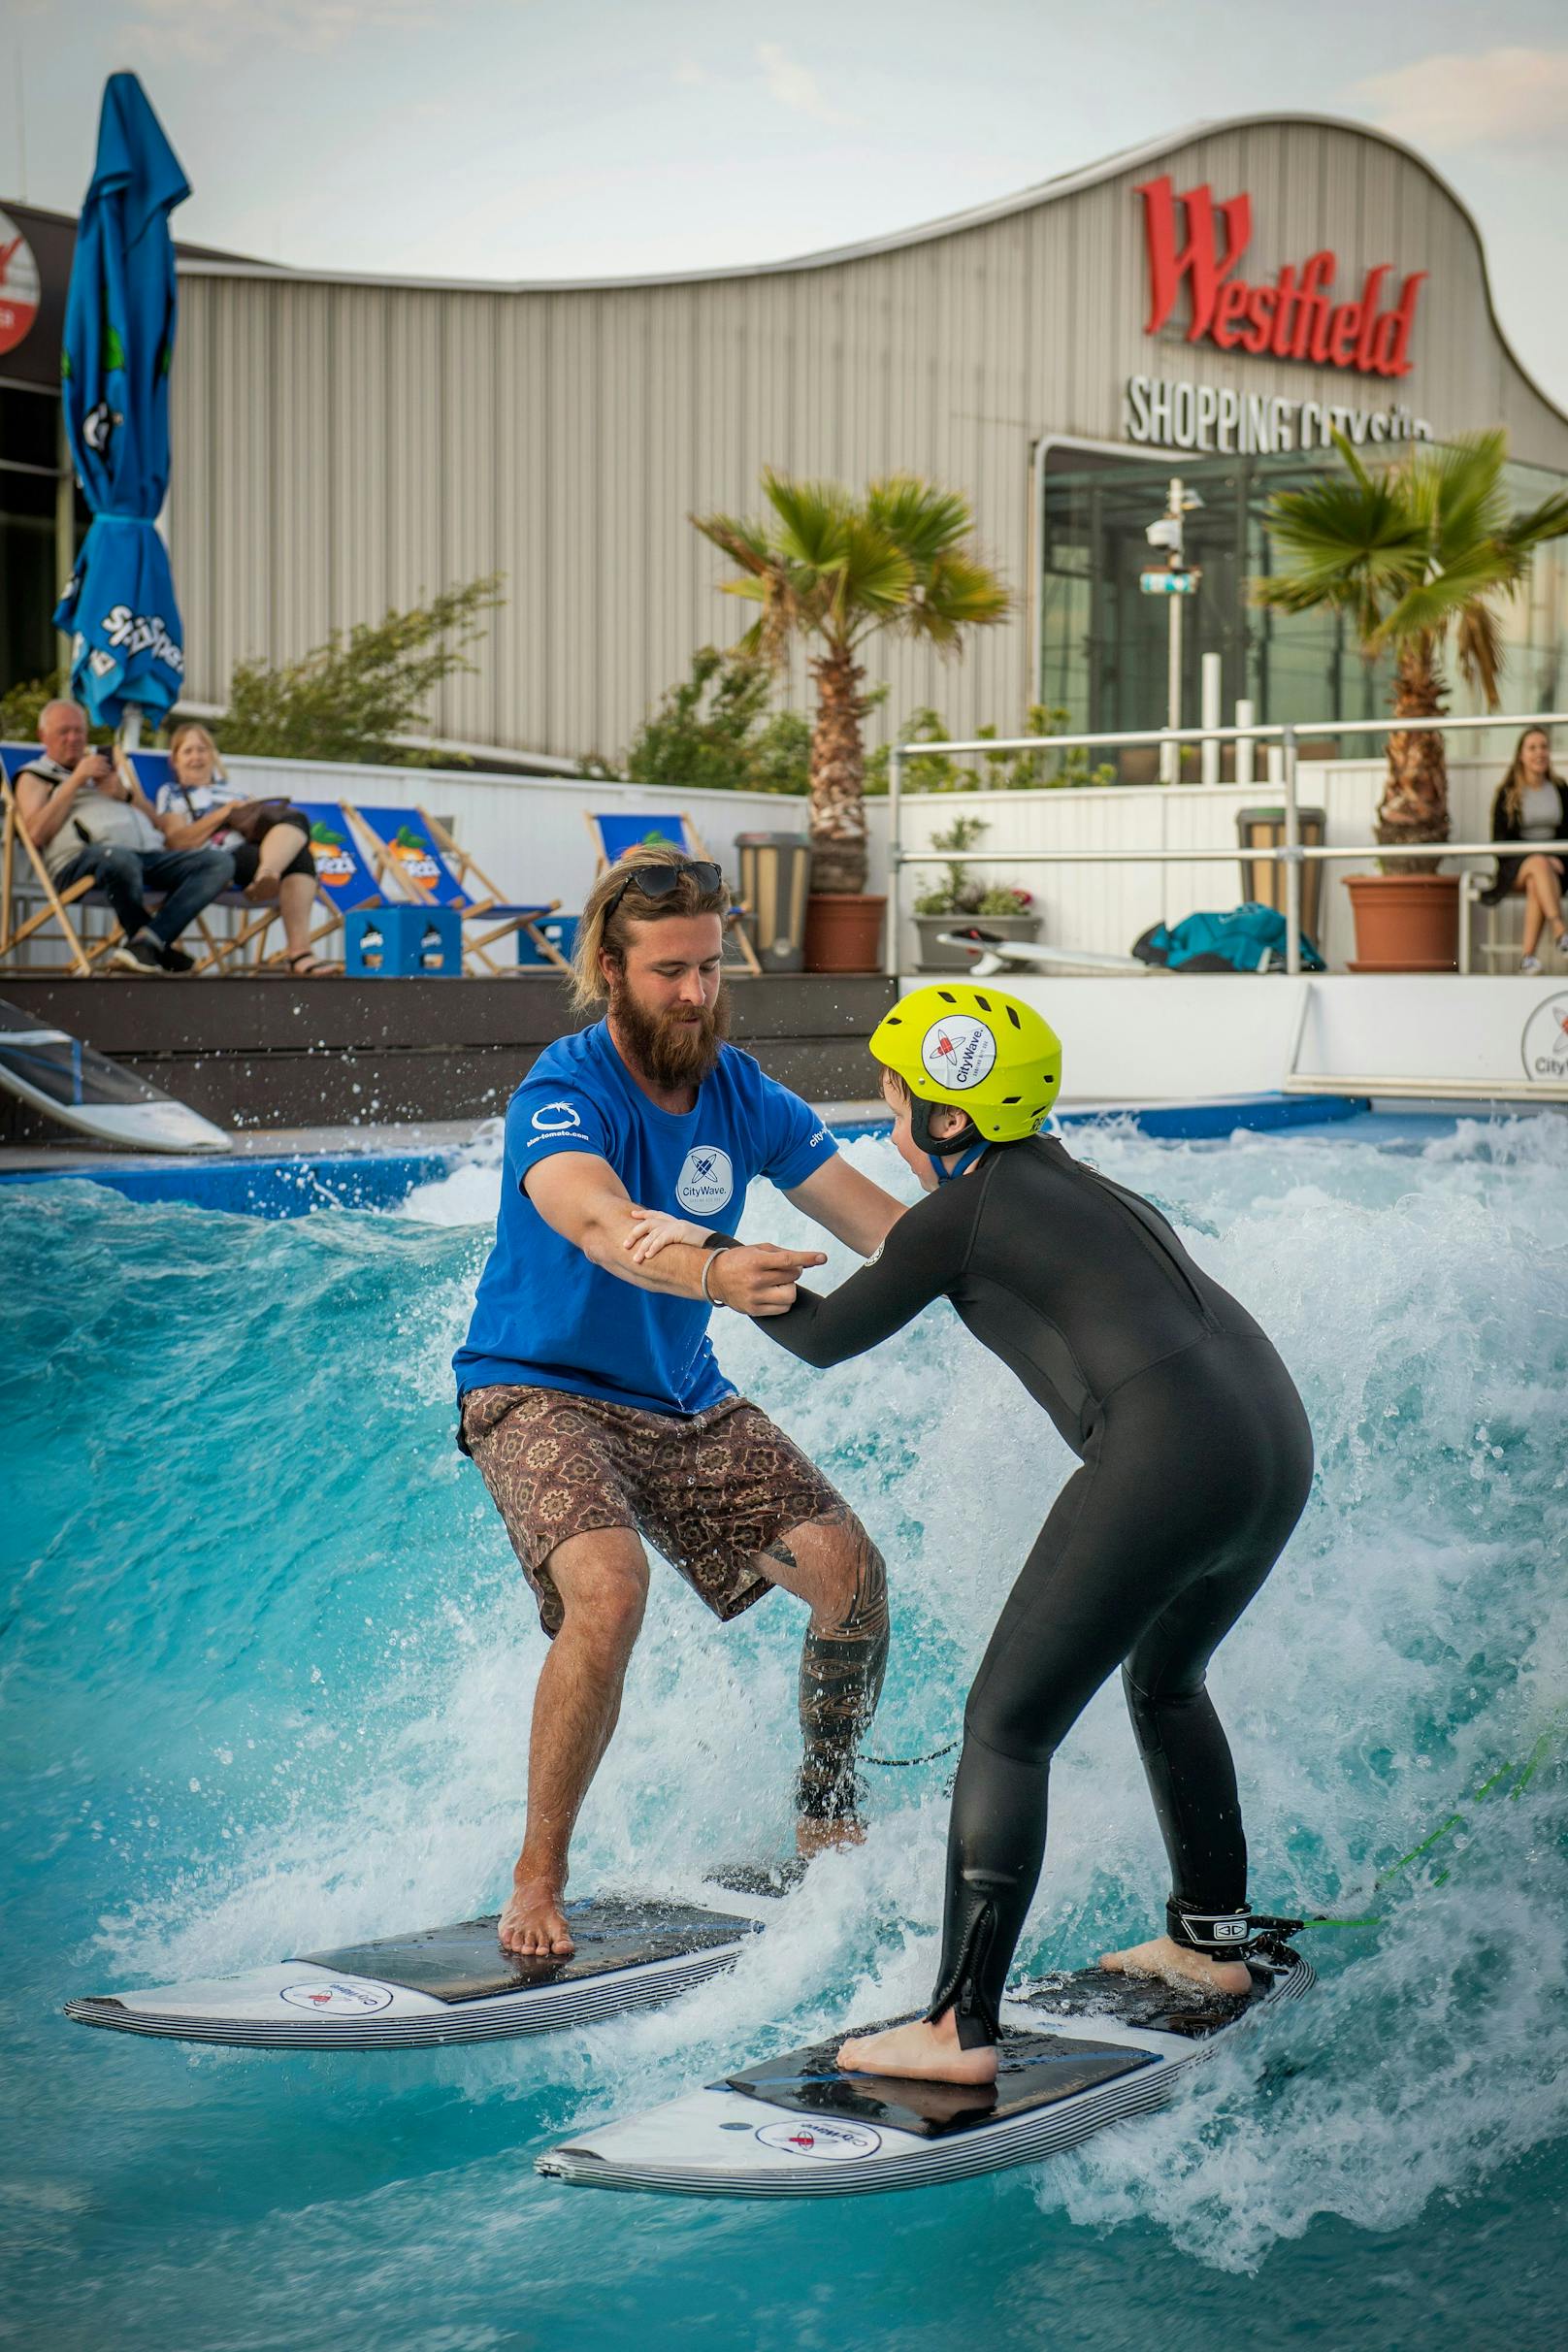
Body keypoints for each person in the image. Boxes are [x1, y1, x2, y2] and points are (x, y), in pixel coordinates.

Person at [629, 982, 1315, 2087]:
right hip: (1269, 1445)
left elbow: (826, 1338)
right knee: (1167, 1683)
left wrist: (705, 1264)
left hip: (1165, 1455)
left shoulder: (967, 1206)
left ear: (949, 1118)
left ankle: (957, 2029)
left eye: (896, 1102)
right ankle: (1211, 1943)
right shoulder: (1086, 1190)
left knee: (1005, 1727)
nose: (887, 1123)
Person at [453, 846, 909, 1960]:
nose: (696, 994)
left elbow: (879, 1230)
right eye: (669, 972)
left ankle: (826, 1818)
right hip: (535, 1388)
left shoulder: (740, 1090)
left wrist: (998, 1227)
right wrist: (715, 1269)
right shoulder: (564, 1090)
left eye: (709, 968)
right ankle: (537, 1874)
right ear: (610, 970)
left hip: (681, 1395)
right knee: (609, 1589)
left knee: (850, 1576)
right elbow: (599, 1222)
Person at [14, 701, 233, 975]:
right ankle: (156, 946)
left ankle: (147, 942)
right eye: (64, 732)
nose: (74, 739)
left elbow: (161, 825)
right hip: (84, 860)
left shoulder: (105, 769)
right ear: (43, 736)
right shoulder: (36, 776)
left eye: (79, 731)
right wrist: (76, 781)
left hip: (146, 856)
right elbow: (34, 834)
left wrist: (125, 796)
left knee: (218, 862)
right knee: (119, 858)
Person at [152, 722, 328, 976]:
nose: (196, 757)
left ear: (212, 755)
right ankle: (300, 953)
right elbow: (177, 841)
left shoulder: (233, 791)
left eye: (202, 750)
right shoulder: (171, 793)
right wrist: (224, 813)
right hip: (217, 860)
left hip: (257, 851)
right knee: (299, 857)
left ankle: (268, 875)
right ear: (175, 760)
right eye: (188, 751)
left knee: (297, 822)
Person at [1480, 726, 1568, 974]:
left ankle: (1527, 959)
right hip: (1515, 866)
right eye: (1532, 748)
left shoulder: (1560, 790)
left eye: (1543, 746)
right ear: (1521, 755)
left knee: (1536, 881)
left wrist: (1558, 859)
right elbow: (1499, 842)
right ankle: (1560, 930)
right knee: (1537, 864)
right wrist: (1537, 859)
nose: (1539, 753)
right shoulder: (1508, 793)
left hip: (1555, 868)